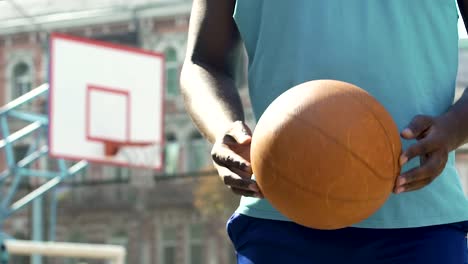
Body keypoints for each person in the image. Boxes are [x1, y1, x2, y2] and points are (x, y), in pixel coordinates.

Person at [181, 1, 468, 263]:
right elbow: (202, 63)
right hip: (280, 219)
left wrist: (453, 128)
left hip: (421, 224)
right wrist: (224, 128)